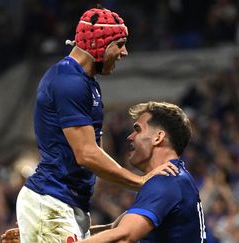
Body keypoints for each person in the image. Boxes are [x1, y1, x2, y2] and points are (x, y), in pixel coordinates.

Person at [15, 6, 178, 243]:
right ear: (98, 44)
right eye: (120, 43)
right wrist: (139, 181)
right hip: (52, 201)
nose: (124, 52)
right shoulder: (68, 82)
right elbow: (86, 155)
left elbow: (94, 155)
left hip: (64, 206)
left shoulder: (87, 84)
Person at [3, 101, 207, 243]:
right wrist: (42, 236)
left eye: (137, 129)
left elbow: (123, 236)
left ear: (158, 137)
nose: (130, 136)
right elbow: (114, 228)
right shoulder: (175, 179)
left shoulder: (165, 182)